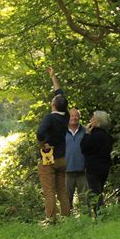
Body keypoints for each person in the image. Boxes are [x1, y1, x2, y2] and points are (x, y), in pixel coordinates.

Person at [36, 67, 70, 222]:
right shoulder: (66, 116)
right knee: (62, 189)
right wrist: (53, 77)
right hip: (62, 157)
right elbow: (59, 93)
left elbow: (39, 133)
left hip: (49, 156)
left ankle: (51, 219)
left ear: (54, 105)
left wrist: (44, 143)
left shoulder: (49, 118)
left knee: (49, 190)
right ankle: (66, 217)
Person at [80, 110, 113, 217]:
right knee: (99, 191)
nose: (90, 120)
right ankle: (100, 214)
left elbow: (83, 147)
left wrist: (86, 133)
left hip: (93, 169)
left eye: (92, 119)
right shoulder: (107, 137)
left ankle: (101, 215)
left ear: (97, 122)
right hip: (104, 168)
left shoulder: (94, 136)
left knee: (95, 194)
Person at [65, 108, 88, 210]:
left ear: (79, 117)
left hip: (82, 171)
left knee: (85, 198)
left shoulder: (85, 131)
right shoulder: (62, 131)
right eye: (71, 116)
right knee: (66, 199)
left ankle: (86, 220)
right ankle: (67, 221)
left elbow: (90, 149)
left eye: (76, 116)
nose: (74, 118)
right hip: (66, 170)